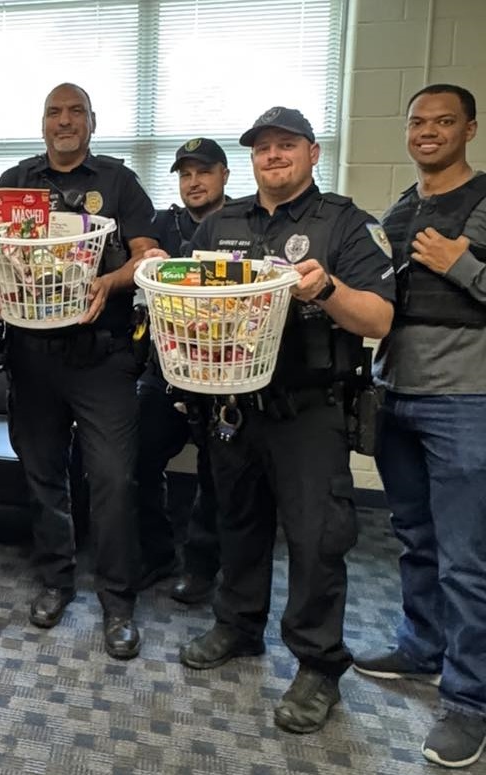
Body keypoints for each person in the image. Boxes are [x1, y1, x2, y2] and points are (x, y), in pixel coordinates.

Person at [171, 107, 395, 734]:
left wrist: (325, 290)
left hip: (310, 409)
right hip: (234, 404)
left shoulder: (346, 225)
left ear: (313, 153)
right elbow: (187, 306)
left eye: (286, 145)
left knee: (316, 541)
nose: (273, 156)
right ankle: (238, 626)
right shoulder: (221, 224)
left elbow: (378, 320)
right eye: (262, 147)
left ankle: (319, 664)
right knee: (237, 522)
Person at [0, 83, 158, 660]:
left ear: (91, 121)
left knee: (112, 481)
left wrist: (110, 282)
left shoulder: (118, 182)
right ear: (42, 123)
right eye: (55, 112)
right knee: (44, 477)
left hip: (102, 357)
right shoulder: (14, 183)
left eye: (75, 112)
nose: (65, 121)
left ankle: (117, 602)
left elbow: (148, 254)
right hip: (34, 357)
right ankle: (56, 582)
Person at [351, 84, 486, 768]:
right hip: (395, 393)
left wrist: (459, 263)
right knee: (415, 537)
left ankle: (468, 700)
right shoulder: (401, 209)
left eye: (443, 122)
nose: (428, 132)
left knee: (467, 557)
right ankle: (421, 646)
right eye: (418, 122)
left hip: (464, 400)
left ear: (469, 128)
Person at [137, 138, 229, 605]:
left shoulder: (239, 223)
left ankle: (201, 567)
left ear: (224, 175)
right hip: (165, 368)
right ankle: (157, 554)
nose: (194, 182)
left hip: (223, 375)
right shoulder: (163, 222)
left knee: (217, 473)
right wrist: (147, 259)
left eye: (204, 172)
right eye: (185, 174)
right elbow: (141, 257)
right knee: (136, 455)